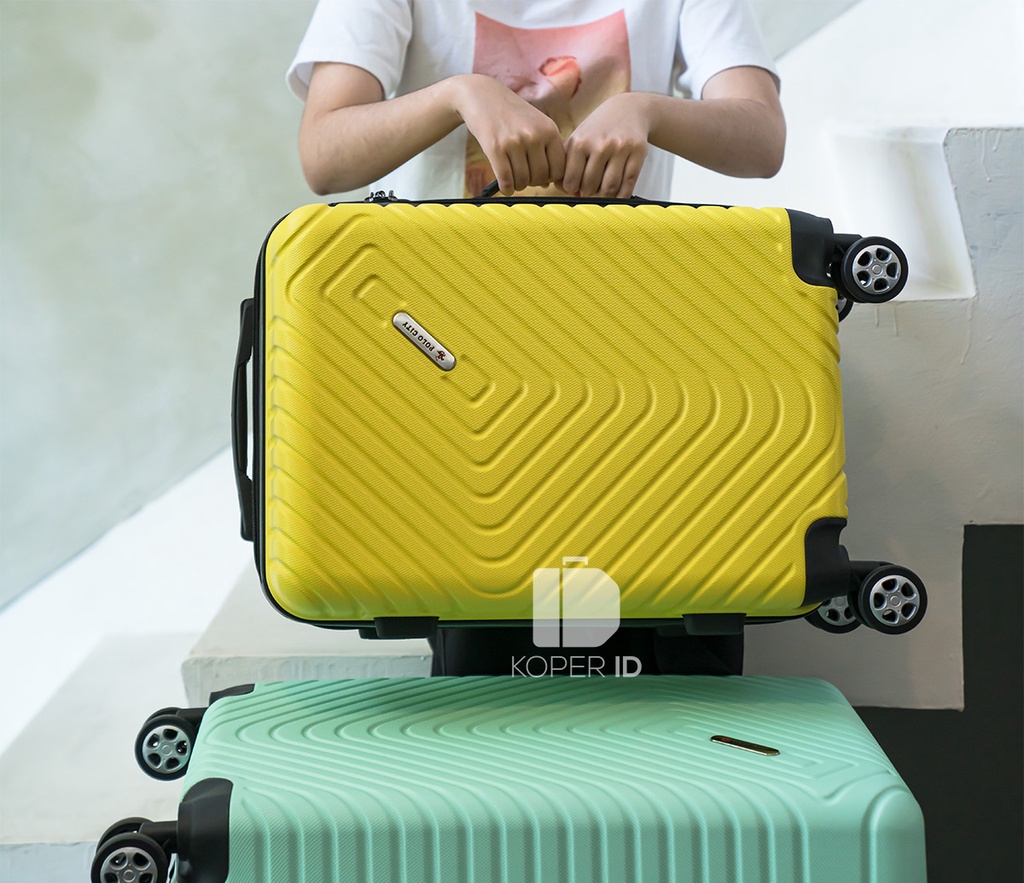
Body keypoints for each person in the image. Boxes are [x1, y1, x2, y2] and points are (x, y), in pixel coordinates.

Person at [287, 0, 785, 677]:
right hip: (454, 362)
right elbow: (324, 155)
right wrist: (460, 96)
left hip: (628, 346)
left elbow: (761, 138)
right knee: (493, 627)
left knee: (650, 610)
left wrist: (646, 110)